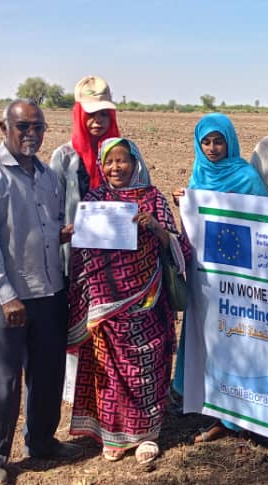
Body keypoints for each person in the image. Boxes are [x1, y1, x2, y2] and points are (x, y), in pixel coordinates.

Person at [0, 100, 81, 485]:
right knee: (4, 378)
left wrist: (63, 234)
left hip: (48, 289)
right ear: (4, 127)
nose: (32, 134)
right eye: (24, 126)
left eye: (39, 127)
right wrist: (6, 295)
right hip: (6, 297)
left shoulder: (45, 175)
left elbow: (48, 226)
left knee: (48, 373)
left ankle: (42, 440)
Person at [67, 137, 192, 463]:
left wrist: (155, 228)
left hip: (147, 303)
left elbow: (178, 248)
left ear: (136, 163)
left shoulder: (152, 198)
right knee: (109, 373)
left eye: (122, 161)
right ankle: (114, 435)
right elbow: (83, 255)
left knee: (147, 369)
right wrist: (73, 233)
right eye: (109, 162)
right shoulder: (95, 199)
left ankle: (148, 435)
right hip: (106, 306)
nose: (115, 167)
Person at [169, 113, 268, 443]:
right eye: (206, 142)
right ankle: (210, 405)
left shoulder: (247, 178)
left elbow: (267, 222)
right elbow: (192, 234)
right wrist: (183, 206)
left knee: (236, 342)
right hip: (207, 279)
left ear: (230, 142)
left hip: (240, 280)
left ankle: (238, 416)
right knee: (208, 339)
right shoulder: (198, 176)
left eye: (218, 141)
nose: (212, 148)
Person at [50, 75, 122, 274]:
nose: (98, 121)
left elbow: (142, 195)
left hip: (119, 256)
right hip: (77, 257)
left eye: (104, 114)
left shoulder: (126, 154)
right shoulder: (64, 157)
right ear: (79, 114)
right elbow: (52, 208)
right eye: (91, 114)